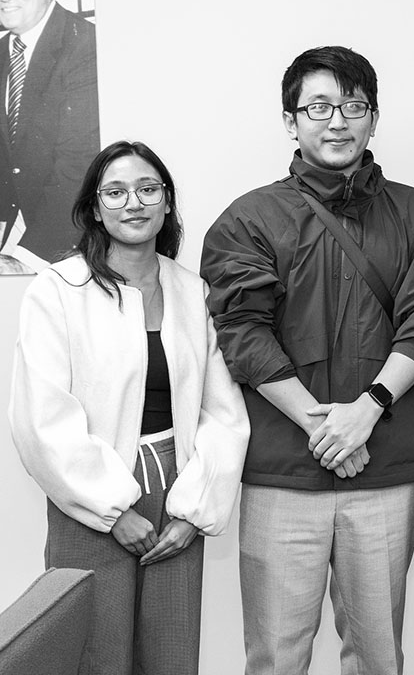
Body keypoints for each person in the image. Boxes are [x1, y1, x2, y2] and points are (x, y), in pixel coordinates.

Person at [200, 45, 414, 675]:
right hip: (282, 474)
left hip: (386, 468)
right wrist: (326, 427)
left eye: (354, 106)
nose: (338, 120)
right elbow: (242, 330)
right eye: (319, 106)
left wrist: (367, 412)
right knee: (275, 657)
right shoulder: (250, 217)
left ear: (374, 117)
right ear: (291, 120)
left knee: (378, 655)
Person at [9, 140, 250, 675]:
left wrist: (194, 510)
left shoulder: (192, 291)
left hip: (178, 490)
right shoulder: (58, 290)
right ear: (95, 207)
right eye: (115, 192)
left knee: (170, 655)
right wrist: (113, 509)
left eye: (147, 189)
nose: (133, 202)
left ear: (166, 203)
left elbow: (223, 413)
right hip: (89, 496)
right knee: (96, 653)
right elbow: (41, 417)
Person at [0, 0, 99, 272]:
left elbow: (78, 168)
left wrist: (24, 261)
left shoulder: (85, 44)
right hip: (12, 229)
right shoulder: (2, 53)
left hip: (68, 240)